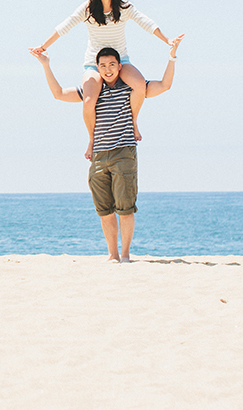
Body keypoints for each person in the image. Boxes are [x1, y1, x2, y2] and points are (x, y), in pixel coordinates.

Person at [33, 37, 180, 262]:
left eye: (112, 65)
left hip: (123, 152)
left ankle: (126, 255)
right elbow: (59, 94)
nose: (107, 70)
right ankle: (112, 255)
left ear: (120, 67)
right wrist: (46, 64)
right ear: (97, 68)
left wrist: (172, 56)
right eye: (102, 66)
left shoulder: (130, 89)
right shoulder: (92, 92)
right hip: (99, 157)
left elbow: (164, 85)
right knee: (104, 209)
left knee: (126, 207)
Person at [30, 0, 178, 158]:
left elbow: (146, 23)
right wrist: (43, 46)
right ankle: (92, 140)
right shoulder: (88, 9)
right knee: (89, 101)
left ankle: (133, 123)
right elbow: (64, 26)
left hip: (120, 60)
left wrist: (167, 40)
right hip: (94, 63)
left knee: (140, 85)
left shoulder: (123, 7)